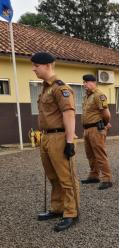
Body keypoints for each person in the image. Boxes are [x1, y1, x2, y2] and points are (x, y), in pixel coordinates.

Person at [32, 52, 80, 232]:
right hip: (46, 137)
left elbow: (68, 114)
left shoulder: (61, 88)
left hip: (60, 137)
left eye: (36, 65)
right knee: (52, 176)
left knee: (66, 177)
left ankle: (71, 212)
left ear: (47, 65)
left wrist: (69, 141)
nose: (33, 69)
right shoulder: (46, 88)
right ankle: (57, 207)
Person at [80, 74, 113, 189]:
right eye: (83, 82)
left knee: (100, 154)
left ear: (93, 83)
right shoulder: (87, 97)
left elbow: (106, 114)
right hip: (87, 129)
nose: (84, 84)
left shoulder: (99, 95)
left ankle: (107, 178)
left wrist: (103, 125)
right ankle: (94, 176)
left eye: (86, 82)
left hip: (96, 128)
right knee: (90, 154)